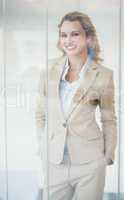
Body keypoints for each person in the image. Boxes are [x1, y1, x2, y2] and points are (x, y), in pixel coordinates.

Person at [35, 11, 117, 200]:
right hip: (55, 163)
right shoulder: (48, 70)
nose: (68, 40)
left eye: (75, 34)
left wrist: (107, 157)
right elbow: (40, 113)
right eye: (64, 35)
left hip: (90, 163)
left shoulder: (104, 75)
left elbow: (109, 120)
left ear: (88, 37)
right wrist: (43, 146)